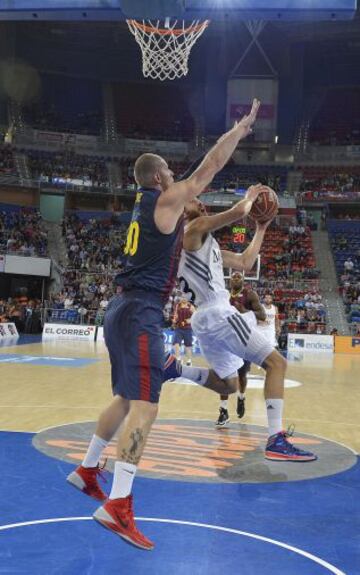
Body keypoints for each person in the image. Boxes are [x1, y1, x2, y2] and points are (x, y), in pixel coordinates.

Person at [66, 99, 261, 551]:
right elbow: (210, 164)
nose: (177, 179)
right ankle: (118, 505)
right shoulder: (165, 198)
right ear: (158, 178)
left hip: (119, 309)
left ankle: (88, 469)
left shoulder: (142, 204)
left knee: (126, 395)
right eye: (171, 175)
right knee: (146, 407)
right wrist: (239, 130)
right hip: (141, 310)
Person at [165, 195, 317, 463]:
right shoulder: (191, 230)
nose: (200, 204)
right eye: (192, 201)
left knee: (229, 384)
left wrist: (261, 228)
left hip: (204, 318)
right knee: (277, 364)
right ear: (179, 211)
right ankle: (276, 439)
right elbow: (237, 212)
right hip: (218, 312)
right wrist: (252, 195)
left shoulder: (202, 244)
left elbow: (245, 262)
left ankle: (176, 369)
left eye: (201, 202)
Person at [216, 271, 266, 426]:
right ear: (229, 281)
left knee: (242, 375)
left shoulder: (250, 295)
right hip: (226, 340)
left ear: (243, 281)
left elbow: (262, 315)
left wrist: (244, 311)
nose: (236, 279)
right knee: (225, 376)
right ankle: (223, 411)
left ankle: (241, 397)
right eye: (233, 277)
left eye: (239, 277)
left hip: (244, 340)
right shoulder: (223, 296)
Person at [172, 297, 195, 365]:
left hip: (188, 328)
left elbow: (195, 316)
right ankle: (178, 358)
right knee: (176, 343)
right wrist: (174, 320)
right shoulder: (177, 305)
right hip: (178, 328)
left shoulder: (191, 306)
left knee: (188, 346)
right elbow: (175, 315)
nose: (183, 298)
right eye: (182, 297)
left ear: (187, 299)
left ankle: (189, 360)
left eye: (185, 297)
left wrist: (190, 320)